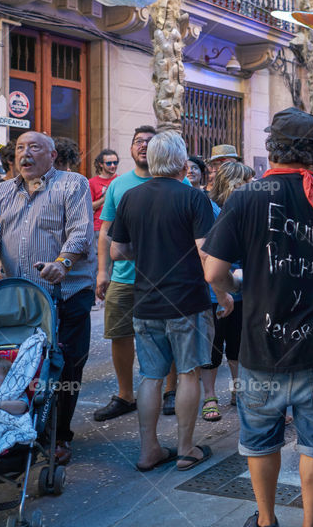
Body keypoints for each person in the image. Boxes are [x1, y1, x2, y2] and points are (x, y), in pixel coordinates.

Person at [202, 107, 313, 527]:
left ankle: (267, 521)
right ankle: (311, 524)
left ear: (272, 147)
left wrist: (237, 287)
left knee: (259, 441)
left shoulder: (245, 197)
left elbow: (212, 272)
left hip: (262, 347)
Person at [0, 131, 94, 466]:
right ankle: (18, 426)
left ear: (52, 155)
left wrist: (62, 263)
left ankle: (58, 436)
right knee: (17, 364)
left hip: (67, 293)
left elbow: (81, 233)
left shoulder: (72, 184)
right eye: (20, 148)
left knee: (65, 366)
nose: (26, 154)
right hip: (19, 297)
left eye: (35, 148)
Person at [110, 131, 216, 473]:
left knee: (150, 376)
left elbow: (117, 251)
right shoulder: (194, 198)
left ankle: (148, 450)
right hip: (187, 301)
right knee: (188, 373)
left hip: (145, 301)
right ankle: (186, 449)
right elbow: (206, 255)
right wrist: (225, 294)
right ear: (183, 163)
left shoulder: (130, 197)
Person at [95, 126, 180, 422]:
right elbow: (105, 230)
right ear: (130, 149)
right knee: (119, 334)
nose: (143, 146)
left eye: (149, 141)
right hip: (124, 276)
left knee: (168, 335)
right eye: (137, 141)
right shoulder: (119, 185)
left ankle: (171, 390)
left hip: (164, 278)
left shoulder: (176, 184)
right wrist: (102, 271)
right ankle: (125, 395)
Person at [200, 161, 255, 421]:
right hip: (214, 290)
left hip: (242, 288)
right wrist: (220, 290)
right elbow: (205, 254)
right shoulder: (211, 209)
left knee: (237, 345)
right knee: (212, 347)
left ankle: (237, 391)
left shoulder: (247, 208)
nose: (252, 186)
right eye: (247, 182)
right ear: (234, 182)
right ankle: (210, 397)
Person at [89, 149, 119, 243]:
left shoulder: (120, 180)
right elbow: (88, 206)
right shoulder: (92, 182)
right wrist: (104, 199)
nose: (113, 166)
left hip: (118, 227)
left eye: (115, 162)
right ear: (101, 164)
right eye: (109, 163)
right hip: (99, 228)